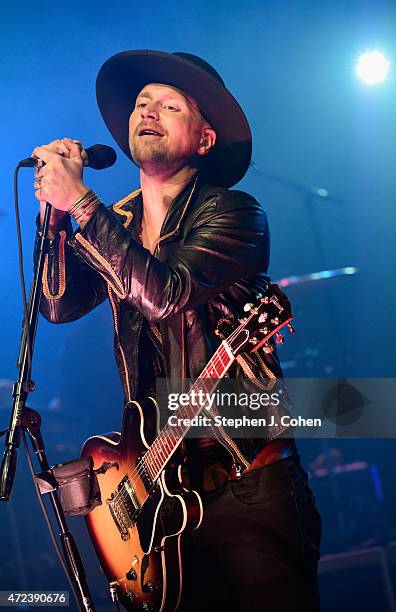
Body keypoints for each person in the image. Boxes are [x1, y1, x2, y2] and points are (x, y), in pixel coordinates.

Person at [32, 50, 321, 611]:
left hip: (247, 485)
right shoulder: (113, 222)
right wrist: (58, 216)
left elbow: (166, 294)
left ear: (204, 140)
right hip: (156, 489)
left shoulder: (235, 214)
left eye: (169, 105)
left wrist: (83, 205)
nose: (149, 111)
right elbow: (59, 306)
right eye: (143, 103)